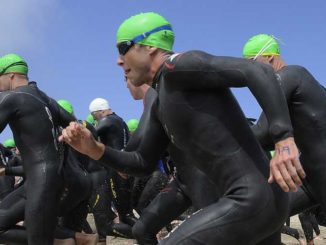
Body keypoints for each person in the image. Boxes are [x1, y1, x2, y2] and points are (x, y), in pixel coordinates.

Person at [61, 12, 303, 244]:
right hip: (254, 202)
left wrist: (283, 140)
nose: (118, 60)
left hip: (251, 198)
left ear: (149, 46)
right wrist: (94, 149)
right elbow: (142, 162)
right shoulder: (160, 101)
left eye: (123, 48)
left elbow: (256, 70)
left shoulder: (179, 66)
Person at [243, 34, 326, 212]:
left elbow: (264, 133)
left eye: (251, 63)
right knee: (263, 218)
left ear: (269, 57)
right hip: (310, 175)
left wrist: (217, 137)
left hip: (317, 171)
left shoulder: (288, 76)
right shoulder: (309, 82)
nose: (249, 73)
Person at [0, 53, 75, 244]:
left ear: (10, 75)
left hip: (41, 180)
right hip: (49, 178)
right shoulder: (45, 99)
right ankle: (68, 241)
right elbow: (78, 125)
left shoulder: (11, 98)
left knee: (39, 240)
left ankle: (68, 241)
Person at [89, 98, 136, 243]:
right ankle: (144, 234)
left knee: (125, 214)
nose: (94, 119)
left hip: (116, 170)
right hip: (124, 167)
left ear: (101, 111)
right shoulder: (120, 121)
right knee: (126, 212)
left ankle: (145, 233)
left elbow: (90, 135)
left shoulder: (107, 121)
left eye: (94, 116)